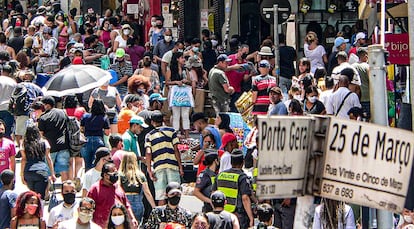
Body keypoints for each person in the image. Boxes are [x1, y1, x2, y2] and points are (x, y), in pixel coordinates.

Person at [145, 110, 183, 206]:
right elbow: (176, 150)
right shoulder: (171, 131)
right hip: (172, 166)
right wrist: (180, 167)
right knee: (175, 193)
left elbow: (148, 153)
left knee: (161, 196)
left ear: (152, 122)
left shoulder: (149, 135)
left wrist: (149, 169)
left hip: (159, 167)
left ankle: (161, 218)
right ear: (163, 120)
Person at [87, 162, 138, 227]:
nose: (116, 175)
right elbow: (88, 207)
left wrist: (132, 218)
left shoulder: (118, 187)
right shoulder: (95, 189)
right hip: (101, 226)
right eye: (113, 173)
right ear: (105, 175)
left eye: (116, 173)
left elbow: (126, 205)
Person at [213, 149, 254, 229]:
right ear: (243, 162)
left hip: (222, 214)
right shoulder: (242, 177)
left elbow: (213, 193)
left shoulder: (220, 175)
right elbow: (245, 198)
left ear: (231, 162)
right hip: (238, 215)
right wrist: (251, 217)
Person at [38, 96, 70, 181]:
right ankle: (65, 186)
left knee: (48, 170)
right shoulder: (63, 112)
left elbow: (41, 135)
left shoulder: (43, 117)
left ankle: (49, 188)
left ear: (47, 105)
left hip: (50, 147)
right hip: (64, 145)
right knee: (64, 170)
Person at [21, 124, 56, 199]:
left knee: (33, 196)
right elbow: (48, 158)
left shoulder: (24, 143)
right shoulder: (44, 142)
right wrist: (52, 173)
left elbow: (24, 159)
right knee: (40, 197)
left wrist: (22, 174)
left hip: (29, 172)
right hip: (41, 171)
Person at [119, 151, 156, 223]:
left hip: (124, 204)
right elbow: (147, 192)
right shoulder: (140, 175)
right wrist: (154, 207)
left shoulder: (120, 175)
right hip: (138, 204)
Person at [166, 51, 193, 139]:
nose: (184, 60)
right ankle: (175, 133)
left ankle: (187, 134)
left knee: (185, 114)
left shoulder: (186, 69)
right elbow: (167, 82)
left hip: (184, 94)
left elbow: (190, 81)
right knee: (176, 114)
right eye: (182, 58)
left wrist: (186, 81)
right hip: (175, 93)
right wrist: (175, 82)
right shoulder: (170, 69)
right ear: (177, 59)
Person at [81, 99, 111, 171]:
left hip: (86, 140)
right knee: (97, 163)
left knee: (87, 164)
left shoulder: (85, 116)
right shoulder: (104, 117)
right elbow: (107, 132)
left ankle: (87, 178)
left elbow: (81, 129)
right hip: (98, 140)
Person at [0, 68, 16, 138]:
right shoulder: (13, 82)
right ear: (10, 73)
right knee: (7, 131)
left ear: (2, 71)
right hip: (8, 108)